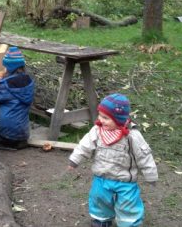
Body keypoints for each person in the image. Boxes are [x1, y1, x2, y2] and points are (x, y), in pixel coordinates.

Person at [67, 93, 158, 227]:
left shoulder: (132, 136)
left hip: (125, 181)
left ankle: (129, 223)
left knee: (128, 205)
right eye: (100, 115)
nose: (101, 120)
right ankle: (101, 220)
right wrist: (74, 160)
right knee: (99, 200)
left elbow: (144, 155)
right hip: (102, 177)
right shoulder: (97, 131)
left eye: (106, 118)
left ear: (119, 119)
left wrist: (150, 175)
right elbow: (84, 146)